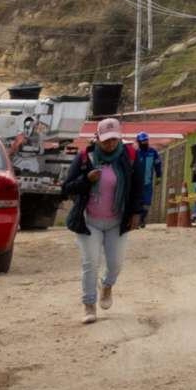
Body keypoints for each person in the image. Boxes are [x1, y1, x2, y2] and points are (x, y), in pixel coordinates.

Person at [61, 122, 150, 322]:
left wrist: (136, 212)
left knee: (115, 264)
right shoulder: (85, 157)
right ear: (98, 138)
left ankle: (107, 285)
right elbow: (67, 187)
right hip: (89, 221)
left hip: (117, 221)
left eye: (114, 139)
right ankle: (89, 305)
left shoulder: (130, 156)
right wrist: (86, 179)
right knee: (90, 263)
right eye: (106, 140)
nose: (110, 144)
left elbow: (137, 187)